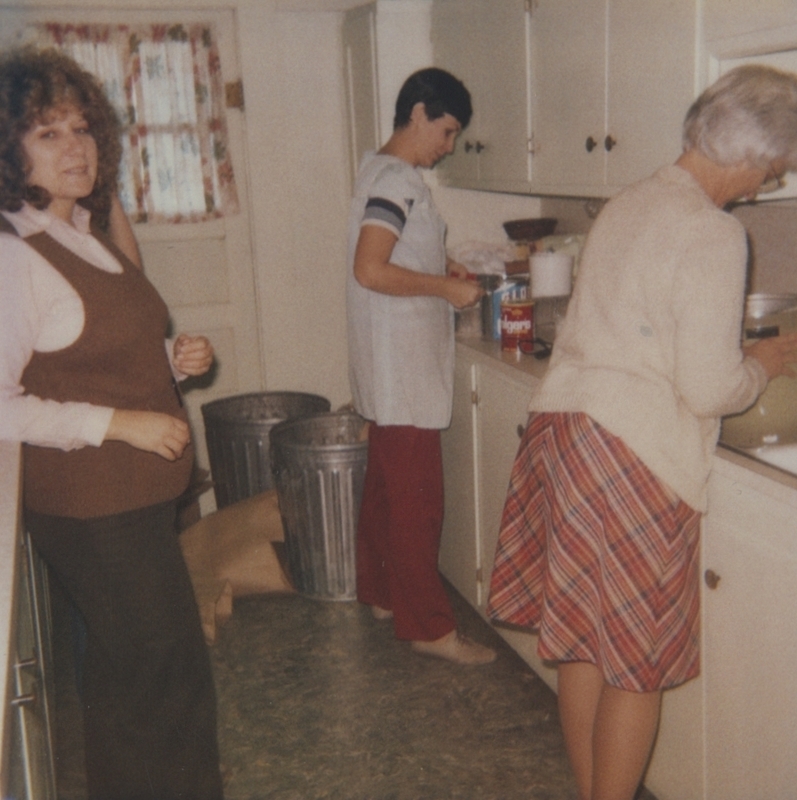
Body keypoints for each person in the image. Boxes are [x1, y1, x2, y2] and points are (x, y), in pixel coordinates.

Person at [487, 64, 797, 800]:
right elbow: (707, 386)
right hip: (632, 456)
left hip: (563, 438)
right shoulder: (713, 232)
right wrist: (759, 363)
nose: (774, 177)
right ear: (752, 157)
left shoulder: (626, 200)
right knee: (636, 661)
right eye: (778, 163)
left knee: (585, 650)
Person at [0, 48, 223, 799]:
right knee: (160, 676)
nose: (77, 148)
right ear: (9, 149)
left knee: (143, 674)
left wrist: (171, 357)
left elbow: (84, 346)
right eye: (48, 134)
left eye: (83, 128)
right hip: (92, 509)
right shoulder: (13, 253)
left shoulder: (78, 229)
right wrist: (118, 423)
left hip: (129, 502)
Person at [347, 67, 495, 666]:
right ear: (418, 114)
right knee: (416, 501)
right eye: (447, 130)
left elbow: (390, 247)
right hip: (402, 364)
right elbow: (371, 269)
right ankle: (431, 628)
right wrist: (445, 289)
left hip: (384, 363)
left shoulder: (375, 170)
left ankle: (383, 593)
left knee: (385, 491)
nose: (449, 146)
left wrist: (445, 261)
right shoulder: (400, 179)